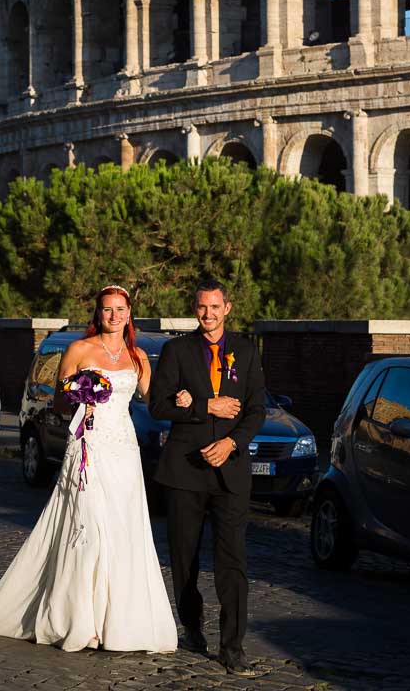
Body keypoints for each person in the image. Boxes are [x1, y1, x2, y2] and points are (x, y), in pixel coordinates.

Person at [0, 285, 177, 654]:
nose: (114, 315)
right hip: (88, 445)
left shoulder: (138, 356)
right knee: (89, 525)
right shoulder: (79, 350)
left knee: (122, 527)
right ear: (98, 313)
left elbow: (153, 402)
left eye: (120, 309)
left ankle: (118, 620)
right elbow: (60, 402)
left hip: (123, 450)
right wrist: (82, 395)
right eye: (107, 309)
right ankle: (82, 620)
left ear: (130, 313)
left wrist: (182, 399)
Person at [149, 278, 266, 677]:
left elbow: (256, 411)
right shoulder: (176, 351)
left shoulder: (247, 352)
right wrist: (204, 406)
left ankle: (232, 648)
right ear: (195, 308)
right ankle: (192, 626)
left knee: (232, 561)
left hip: (230, 475)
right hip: (185, 472)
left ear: (227, 308)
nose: (208, 314)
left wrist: (232, 444)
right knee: (185, 560)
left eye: (215, 307)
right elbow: (158, 405)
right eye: (202, 307)